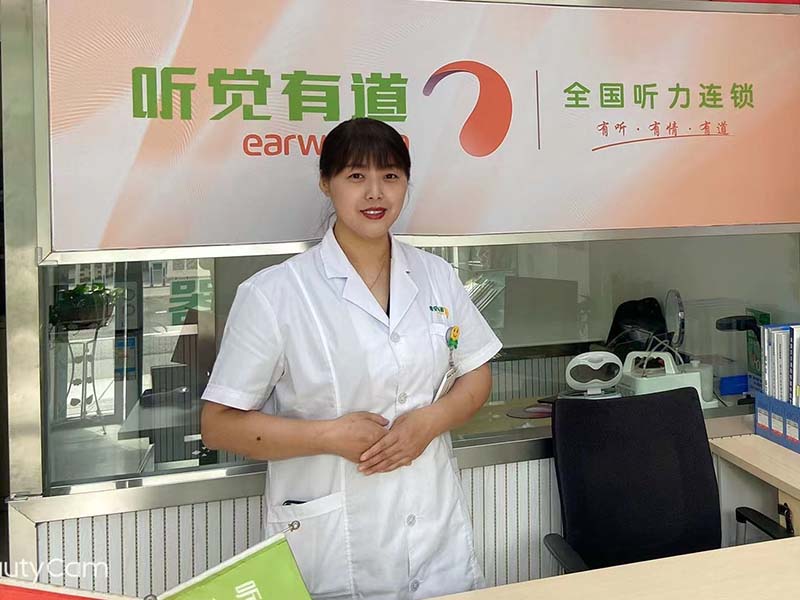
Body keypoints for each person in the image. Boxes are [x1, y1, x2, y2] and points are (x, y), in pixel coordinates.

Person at [201, 118, 502, 599]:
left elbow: (476, 374)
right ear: (327, 183)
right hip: (336, 550)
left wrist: (430, 422)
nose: (375, 193)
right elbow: (218, 426)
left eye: (390, 176)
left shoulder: (437, 276)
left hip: (435, 540)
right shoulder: (275, 293)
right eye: (356, 176)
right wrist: (327, 435)